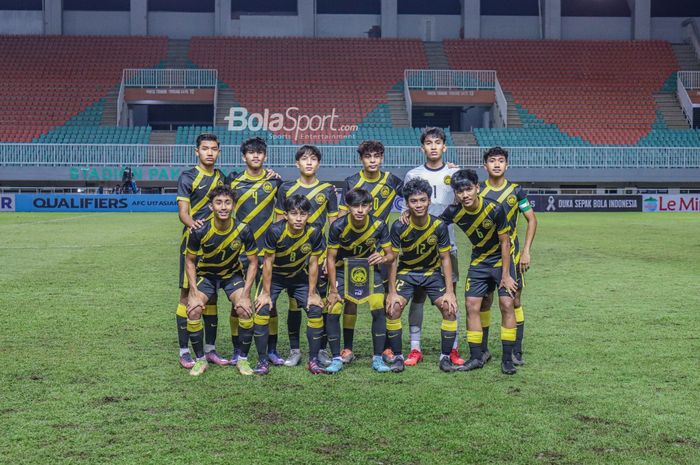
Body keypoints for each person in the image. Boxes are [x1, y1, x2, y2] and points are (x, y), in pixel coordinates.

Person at [439, 169, 519, 375]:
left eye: (468, 189)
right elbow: (434, 225)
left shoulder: (495, 208)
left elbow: (505, 242)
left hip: (501, 261)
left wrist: (506, 275)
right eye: (459, 191)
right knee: (471, 305)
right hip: (479, 262)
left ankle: (507, 358)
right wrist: (408, 214)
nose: (464, 195)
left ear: (477, 188)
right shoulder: (454, 211)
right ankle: (477, 357)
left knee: (507, 303)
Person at [401, 127, 464, 367]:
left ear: (445, 147)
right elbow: (406, 210)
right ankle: (415, 348)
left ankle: (453, 349)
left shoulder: (454, 173)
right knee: (417, 296)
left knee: (451, 296)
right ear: (423, 148)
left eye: (438, 142)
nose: (434, 146)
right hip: (418, 247)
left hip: (448, 245)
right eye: (429, 143)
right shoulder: (412, 175)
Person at [385, 178, 460, 373]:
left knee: (450, 309)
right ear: (406, 203)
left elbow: (446, 259)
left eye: (422, 200)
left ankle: (445, 357)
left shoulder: (439, 226)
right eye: (414, 201)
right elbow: (392, 259)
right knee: (393, 309)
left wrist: (450, 292)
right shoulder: (399, 226)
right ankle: (399, 358)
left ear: (429, 201)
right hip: (407, 273)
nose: (418, 205)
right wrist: (391, 292)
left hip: (432, 274)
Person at [183, 186, 261, 376]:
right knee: (193, 309)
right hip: (207, 276)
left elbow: (253, 262)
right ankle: (200, 360)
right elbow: (190, 260)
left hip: (231, 276)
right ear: (211, 206)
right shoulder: (200, 229)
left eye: (228, 202)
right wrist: (193, 292)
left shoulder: (243, 229)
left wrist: (245, 294)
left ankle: (242, 360)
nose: (223, 207)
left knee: (244, 309)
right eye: (218, 203)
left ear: (234, 206)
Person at [337, 140, 403, 363]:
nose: (373, 160)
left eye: (376, 156)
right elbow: (341, 214)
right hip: (353, 251)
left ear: (382, 158)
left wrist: (406, 212)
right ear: (361, 159)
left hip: (380, 249)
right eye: (368, 156)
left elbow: (414, 194)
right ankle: (347, 348)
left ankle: (384, 348)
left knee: (381, 300)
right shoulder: (352, 182)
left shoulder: (391, 180)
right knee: (350, 301)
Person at [275, 145, 338, 367]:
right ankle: (295, 350)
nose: (309, 162)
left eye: (313, 159)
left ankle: (320, 350)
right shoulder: (286, 188)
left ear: (319, 164)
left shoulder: (328, 190)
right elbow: (278, 223)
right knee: (293, 305)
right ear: (297, 163)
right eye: (304, 159)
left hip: (318, 256)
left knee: (317, 304)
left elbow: (334, 225)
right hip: (293, 257)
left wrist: (328, 258)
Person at [228, 137, 285, 366]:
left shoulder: (276, 182)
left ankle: (271, 349)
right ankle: (237, 350)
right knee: (238, 302)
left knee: (269, 303)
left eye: (260, 153)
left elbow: (281, 216)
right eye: (251, 153)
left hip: (268, 252)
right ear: (244, 156)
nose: (255, 156)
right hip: (239, 253)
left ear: (265, 156)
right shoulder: (232, 181)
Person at [255, 194, 328, 374]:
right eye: (294, 213)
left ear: (309, 215)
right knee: (263, 309)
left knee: (316, 309)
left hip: (298, 276)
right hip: (275, 277)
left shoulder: (315, 232)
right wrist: (265, 293)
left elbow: (313, 264)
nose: (298, 218)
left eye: (303, 214)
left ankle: (313, 360)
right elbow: (268, 263)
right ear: (285, 215)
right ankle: (262, 360)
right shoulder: (275, 231)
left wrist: (312, 293)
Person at [478, 147, 537, 365]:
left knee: (513, 301)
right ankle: (482, 350)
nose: (496, 164)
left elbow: (532, 219)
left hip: (511, 255)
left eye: (500, 161)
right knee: (484, 301)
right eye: (492, 161)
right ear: (485, 165)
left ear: (506, 165)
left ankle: (515, 350)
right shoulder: (478, 190)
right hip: (485, 256)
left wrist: (526, 251)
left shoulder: (517, 191)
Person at [326, 188, 395, 373]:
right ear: (348, 206)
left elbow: (390, 255)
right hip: (342, 269)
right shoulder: (338, 226)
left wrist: (381, 256)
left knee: (377, 306)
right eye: (355, 205)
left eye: (364, 205)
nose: (359, 209)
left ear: (370, 207)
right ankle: (336, 358)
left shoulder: (379, 225)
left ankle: (377, 358)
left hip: (369, 270)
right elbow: (330, 258)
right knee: (334, 307)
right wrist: (333, 289)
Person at [174, 133, 227, 369]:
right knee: (187, 296)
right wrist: (192, 224)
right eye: (205, 148)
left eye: (214, 149)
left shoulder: (221, 177)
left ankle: (210, 349)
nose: (209, 152)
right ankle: (184, 351)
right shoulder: (188, 176)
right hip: (193, 244)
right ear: (197, 151)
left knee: (212, 294)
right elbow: (183, 211)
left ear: (218, 152)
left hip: (215, 245)